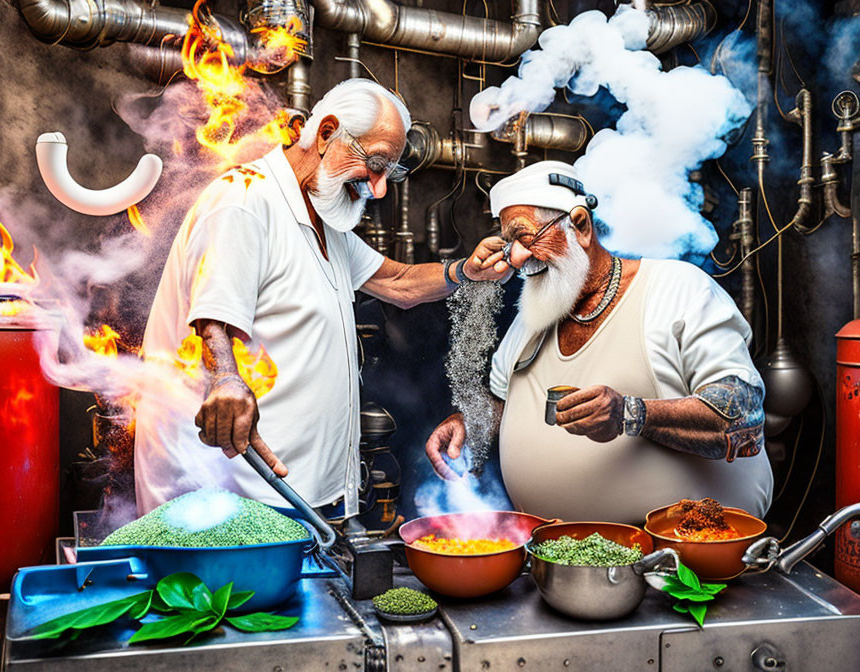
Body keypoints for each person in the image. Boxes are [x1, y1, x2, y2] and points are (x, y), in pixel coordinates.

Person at [135, 79, 508, 516]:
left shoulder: (325, 220)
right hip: (232, 499)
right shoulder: (245, 201)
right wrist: (226, 379)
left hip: (297, 498)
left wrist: (466, 271)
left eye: (390, 172)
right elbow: (212, 320)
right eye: (374, 163)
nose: (379, 187)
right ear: (327, 132)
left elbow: (399, 281)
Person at [425, 160, 773, 523]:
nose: (516, 258)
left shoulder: (676, 289)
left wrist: (630, 414)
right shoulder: (536, 311)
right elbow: (501, 399)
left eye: (526, 238)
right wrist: (469, 425)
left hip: (687, 557)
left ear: (580, 226)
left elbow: (743, 420)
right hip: (557, 554)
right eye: (509, 243)